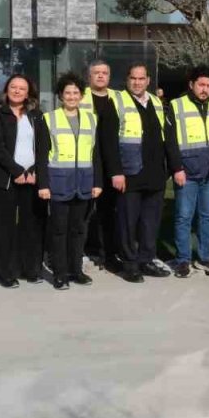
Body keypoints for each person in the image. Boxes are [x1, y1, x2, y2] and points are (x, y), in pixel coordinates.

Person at [99, 63, 182, 283]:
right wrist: (116, 172)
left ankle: (146, 259)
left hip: (155, 173)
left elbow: (168, 137)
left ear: (148, 81)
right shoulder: (115, 102)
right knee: (128, 221)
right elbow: (108, 142)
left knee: (150, 221)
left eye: (141, 79)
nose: (137, 82)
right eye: (133, 78)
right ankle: (129, 264)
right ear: (127, 80)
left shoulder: (156, 102)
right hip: (129, 173)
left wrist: (175, 167)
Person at [0, 75, 51, 288]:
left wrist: (33, 172)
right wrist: (16, 171)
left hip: (32, 178)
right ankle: (5, 272)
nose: (17, 91)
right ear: (6, 89)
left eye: (22, 88)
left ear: (29, 92)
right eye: (13, 87)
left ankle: (31, 269)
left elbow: (43, 147)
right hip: (4, 179)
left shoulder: (37, 116)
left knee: (32, 226)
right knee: (4, 227)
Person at [45, 73, 104, 289]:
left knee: (79, 230)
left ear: (81, 95)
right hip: (59, 183)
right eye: (67, 93)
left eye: (75, 93)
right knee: (59, 230)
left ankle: (76, 270)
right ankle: (60, 273)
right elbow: (42, 155)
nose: (71, 97)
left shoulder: (91, 118)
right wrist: (43, 185)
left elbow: (95, 154)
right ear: (61, 95)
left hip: (84, 184)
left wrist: (98, 183)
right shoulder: (49, 119)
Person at [165, 66, 209, 278]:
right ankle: (183, 260)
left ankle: (205, 257)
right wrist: (176, 169)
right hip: (187, 172)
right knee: (183, 217)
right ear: (191, 85)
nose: (205, 89)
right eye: (201, 84)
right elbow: (171, 141)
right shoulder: (176, 106)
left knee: (207, 216)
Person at [81, 60, 123, 267]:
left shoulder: (119, 97)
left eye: (104, 73)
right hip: (87, 159)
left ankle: (108, 253)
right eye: (96, 73)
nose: (100, 76)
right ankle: (83, 250)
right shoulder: (80, 96)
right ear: (89, 76)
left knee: (109, 210)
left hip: (112, 161)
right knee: (84, 209)